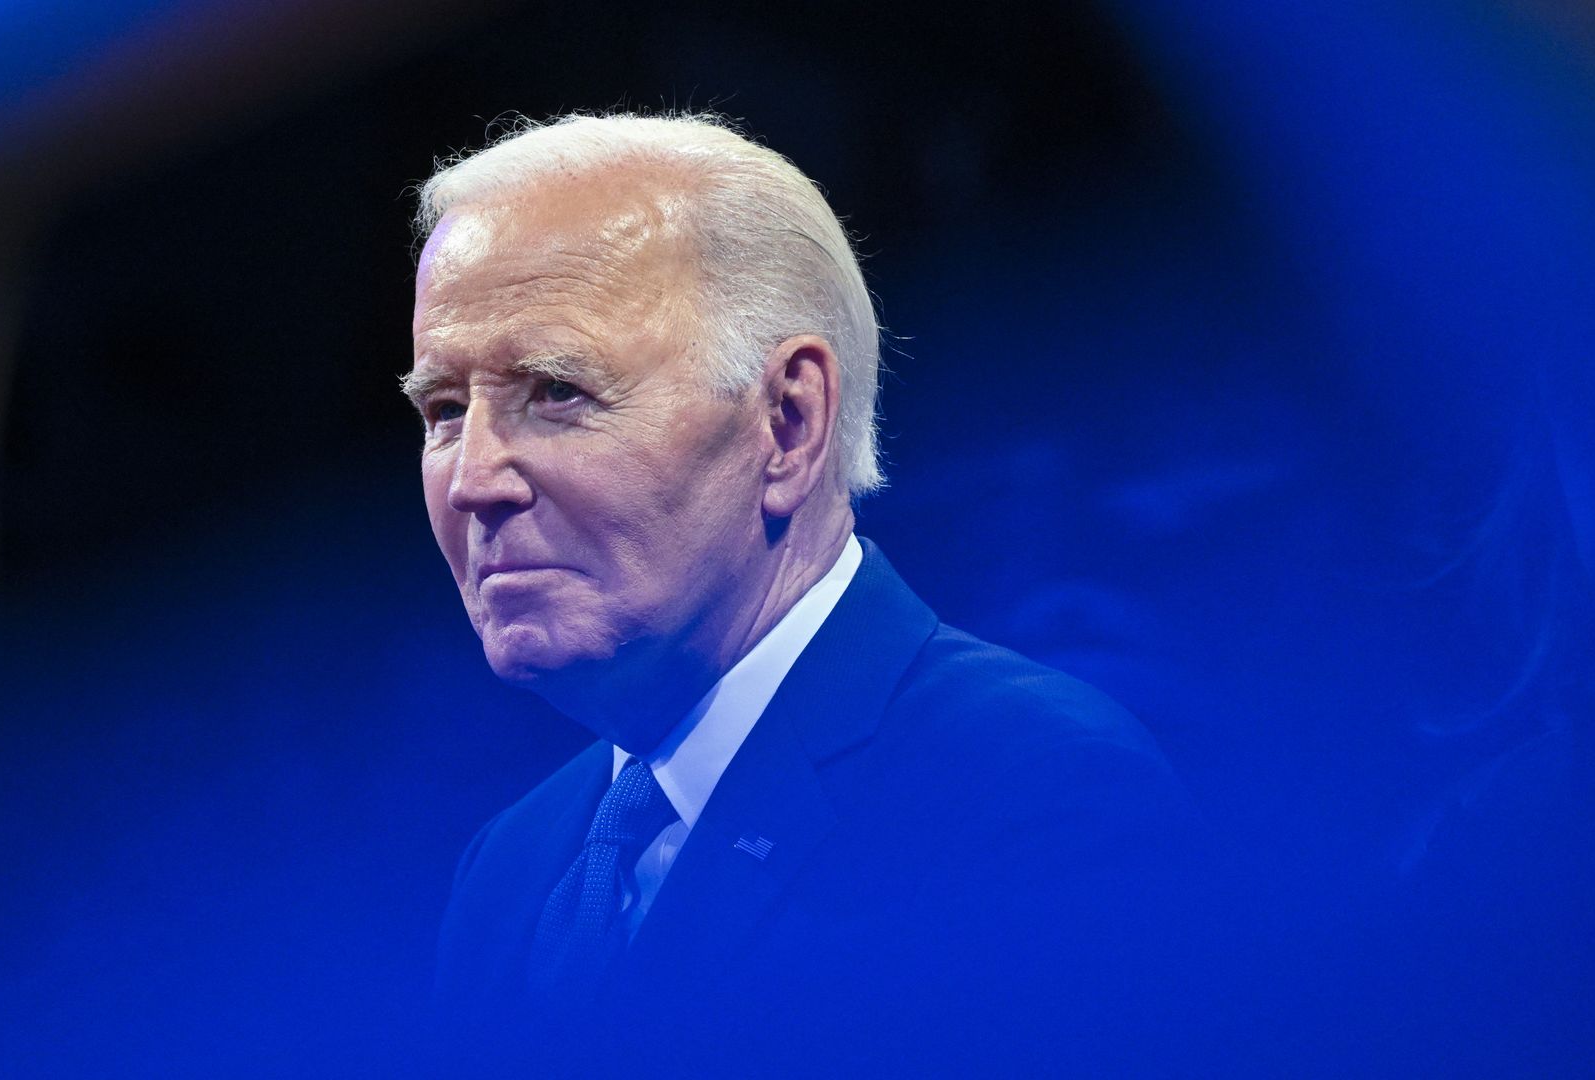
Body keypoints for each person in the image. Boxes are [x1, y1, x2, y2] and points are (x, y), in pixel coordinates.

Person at [404, 112, 1197, 1072]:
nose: (472, 481)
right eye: (445, 409)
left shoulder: (1035, 792)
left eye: (557, 391)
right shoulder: (509, 869)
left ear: (787, 422)